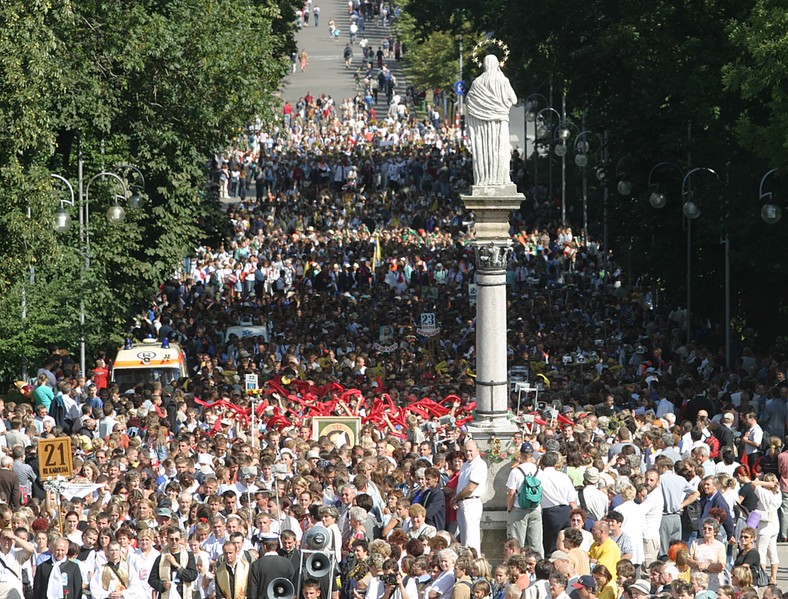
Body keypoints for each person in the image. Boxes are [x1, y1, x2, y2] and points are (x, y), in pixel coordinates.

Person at [465, 54, 518, 186]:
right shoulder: (503, 80)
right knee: (500, 149)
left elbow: (469, 102)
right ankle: (501, 178)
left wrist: (483, 108)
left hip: (481, 126)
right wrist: (502, 105)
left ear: (484, 65)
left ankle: (484, 178)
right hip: (500, 122)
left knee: (485, 149)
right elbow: (514, 99)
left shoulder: (477, 82)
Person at [536, 451, 577, 556]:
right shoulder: (563, 477)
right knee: (566, 543)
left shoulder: (539, 477)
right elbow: (572, 498)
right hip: (565, 511)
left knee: (551, 545)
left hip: (549, 514)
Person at [505, 442, 543, 554]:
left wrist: (509, 508)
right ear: (532, 455)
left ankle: (516, 566)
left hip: (519, 509)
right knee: (536, 544)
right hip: (536, 509)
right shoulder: (539, 471)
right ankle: (539, 567)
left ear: (520, 455)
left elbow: (511, 493)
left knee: (516, 544)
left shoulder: (515, 471)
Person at [450, 440, 487, 554]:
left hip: (472, 502)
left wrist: (456, 498)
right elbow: (461, 485)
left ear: (477, 451)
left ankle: (473, 563)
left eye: (471, 451)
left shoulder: (479, 464)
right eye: (466, 451)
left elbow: (471, 487)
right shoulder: (466, 465)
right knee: (464, 538)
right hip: (462, 502)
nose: (468, 453)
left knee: (471, 539)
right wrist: (457, 499)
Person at [148, 527, 198, 599]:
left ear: (180, 539)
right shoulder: (161, 557)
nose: (174, 541)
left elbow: (192, 576)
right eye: (171, 539)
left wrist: (176, 565)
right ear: (167, 539)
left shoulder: (188, 556)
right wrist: (162, 585)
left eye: (176, 539)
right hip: (167, 594)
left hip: (183, 593)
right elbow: (152, 580)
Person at [687, 518, 725, 591]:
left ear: (715, 532)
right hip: (696, 581)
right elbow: (688, 560)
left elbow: (721, 566)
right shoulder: (695, 543)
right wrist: (697, 563)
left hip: (712, 581)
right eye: (704, 528)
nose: (706, 531)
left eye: (710, 529)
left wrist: (706, 566)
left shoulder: (720, 546)